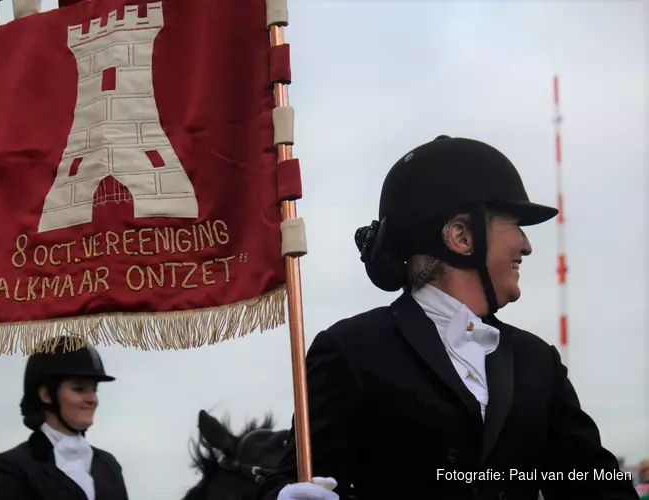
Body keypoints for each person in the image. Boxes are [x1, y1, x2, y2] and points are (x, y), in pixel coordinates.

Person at [256, 136, 638, 499]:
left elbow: (594, 485)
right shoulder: (352, 351)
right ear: (461, 237)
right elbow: (291, 480)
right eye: (515, 225)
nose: (526, 245)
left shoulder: (537, 362)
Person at [0, 335, 130, 500]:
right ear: (46, 395)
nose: (92, 399)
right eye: (79, 389)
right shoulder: (13, 466)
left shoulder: (109, 465)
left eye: (94, 389)